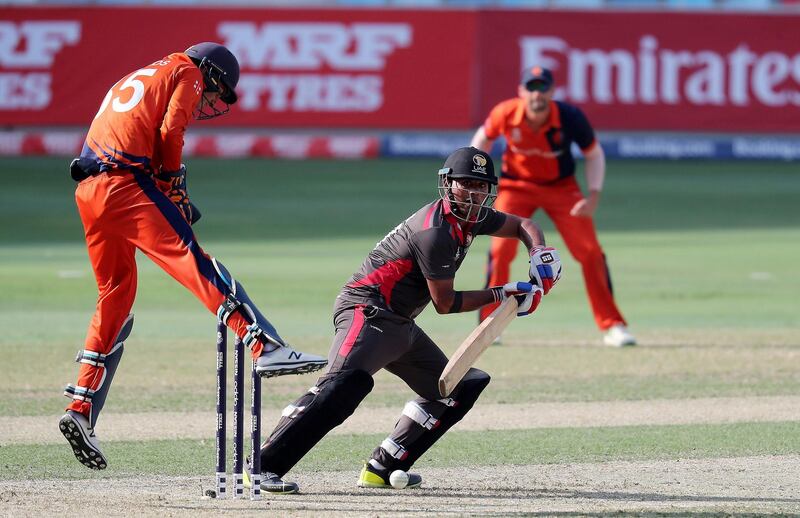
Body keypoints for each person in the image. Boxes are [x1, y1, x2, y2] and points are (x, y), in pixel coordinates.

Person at [58, 42, 327, 471]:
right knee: (194, 261)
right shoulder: (187, 72)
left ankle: (81, 407)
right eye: (220, 92)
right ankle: (263, 344)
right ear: (212, 73)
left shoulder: (140, 74)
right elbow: (170, 131)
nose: (215, 100)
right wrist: (174, 183)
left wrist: (168, 190)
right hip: (125, 185)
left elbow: (132, 132)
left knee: (115, 298)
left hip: (89, 190)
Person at [243, 147, 562, 494]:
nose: (472, 193)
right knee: (342, 387)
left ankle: (385, 466)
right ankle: (262, 466)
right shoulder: (435, 231)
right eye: (465, 184)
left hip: (400, 324)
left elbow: (524, 224)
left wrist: (540, 252)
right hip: (366, 311)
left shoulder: (474, 217)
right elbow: (445, 303)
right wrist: (503, 293)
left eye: (481, 186)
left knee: (457, 388)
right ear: (448, 185)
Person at [470, 66, 636, 347]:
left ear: (552, 91)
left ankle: (613, 325)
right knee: (500, 251)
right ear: (521, 91)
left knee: (590, 252)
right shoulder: (506, 112)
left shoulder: (570, 117)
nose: (537, 94)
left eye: (542, 87)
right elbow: (482, 140)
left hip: (561, 188)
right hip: (516, 186)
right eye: (531, 87)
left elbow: (594, 154)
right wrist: (476, 179)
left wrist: (593, 195)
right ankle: (490, 322)